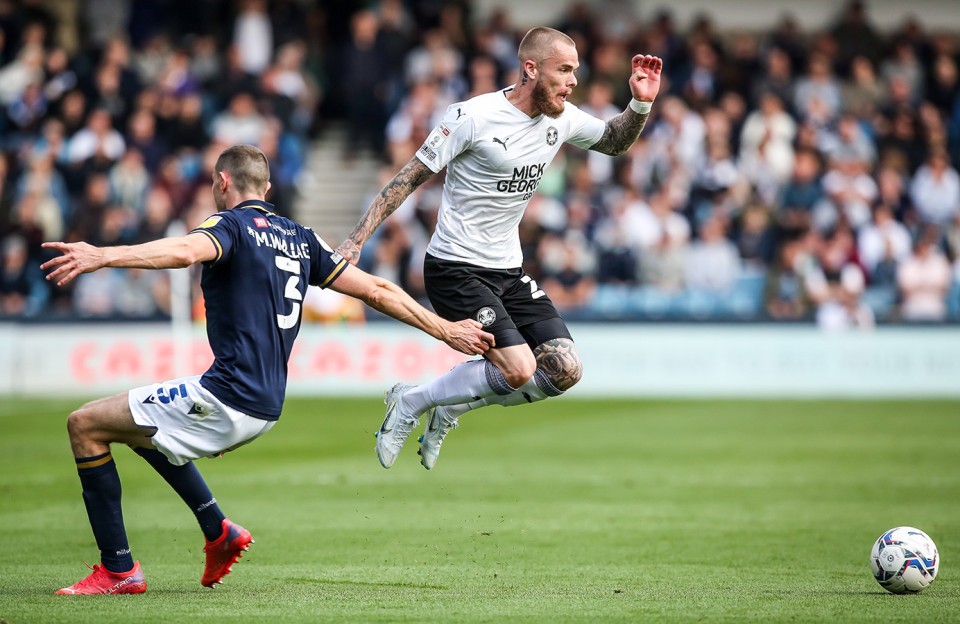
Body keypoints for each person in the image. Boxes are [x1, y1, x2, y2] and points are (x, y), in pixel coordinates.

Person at [41, 144, 493, 595]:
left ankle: (119, 570)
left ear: (222, 182)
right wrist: (445, 329)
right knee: (139, 429)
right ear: (268, 187)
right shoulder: (302, 238)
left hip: (226, 397)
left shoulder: (229, 226)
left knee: (85, 425)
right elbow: (376, 289)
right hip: (266, 405)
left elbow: (183, 251)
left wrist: (103, 255)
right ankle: (218, 530)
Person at [336, 27, 662, 470]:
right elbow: (407, 178)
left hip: (507, 270)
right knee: (520, 368)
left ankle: (448, 407)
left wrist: (640, 103)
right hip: (455, 267)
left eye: (575, 71)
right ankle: (411, 401)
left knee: (564, 369)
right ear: (531, 69)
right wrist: (356, 239)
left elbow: (614, 141)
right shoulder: (472, 117)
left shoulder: (561, 118)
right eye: (564, 70)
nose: (573, 82)